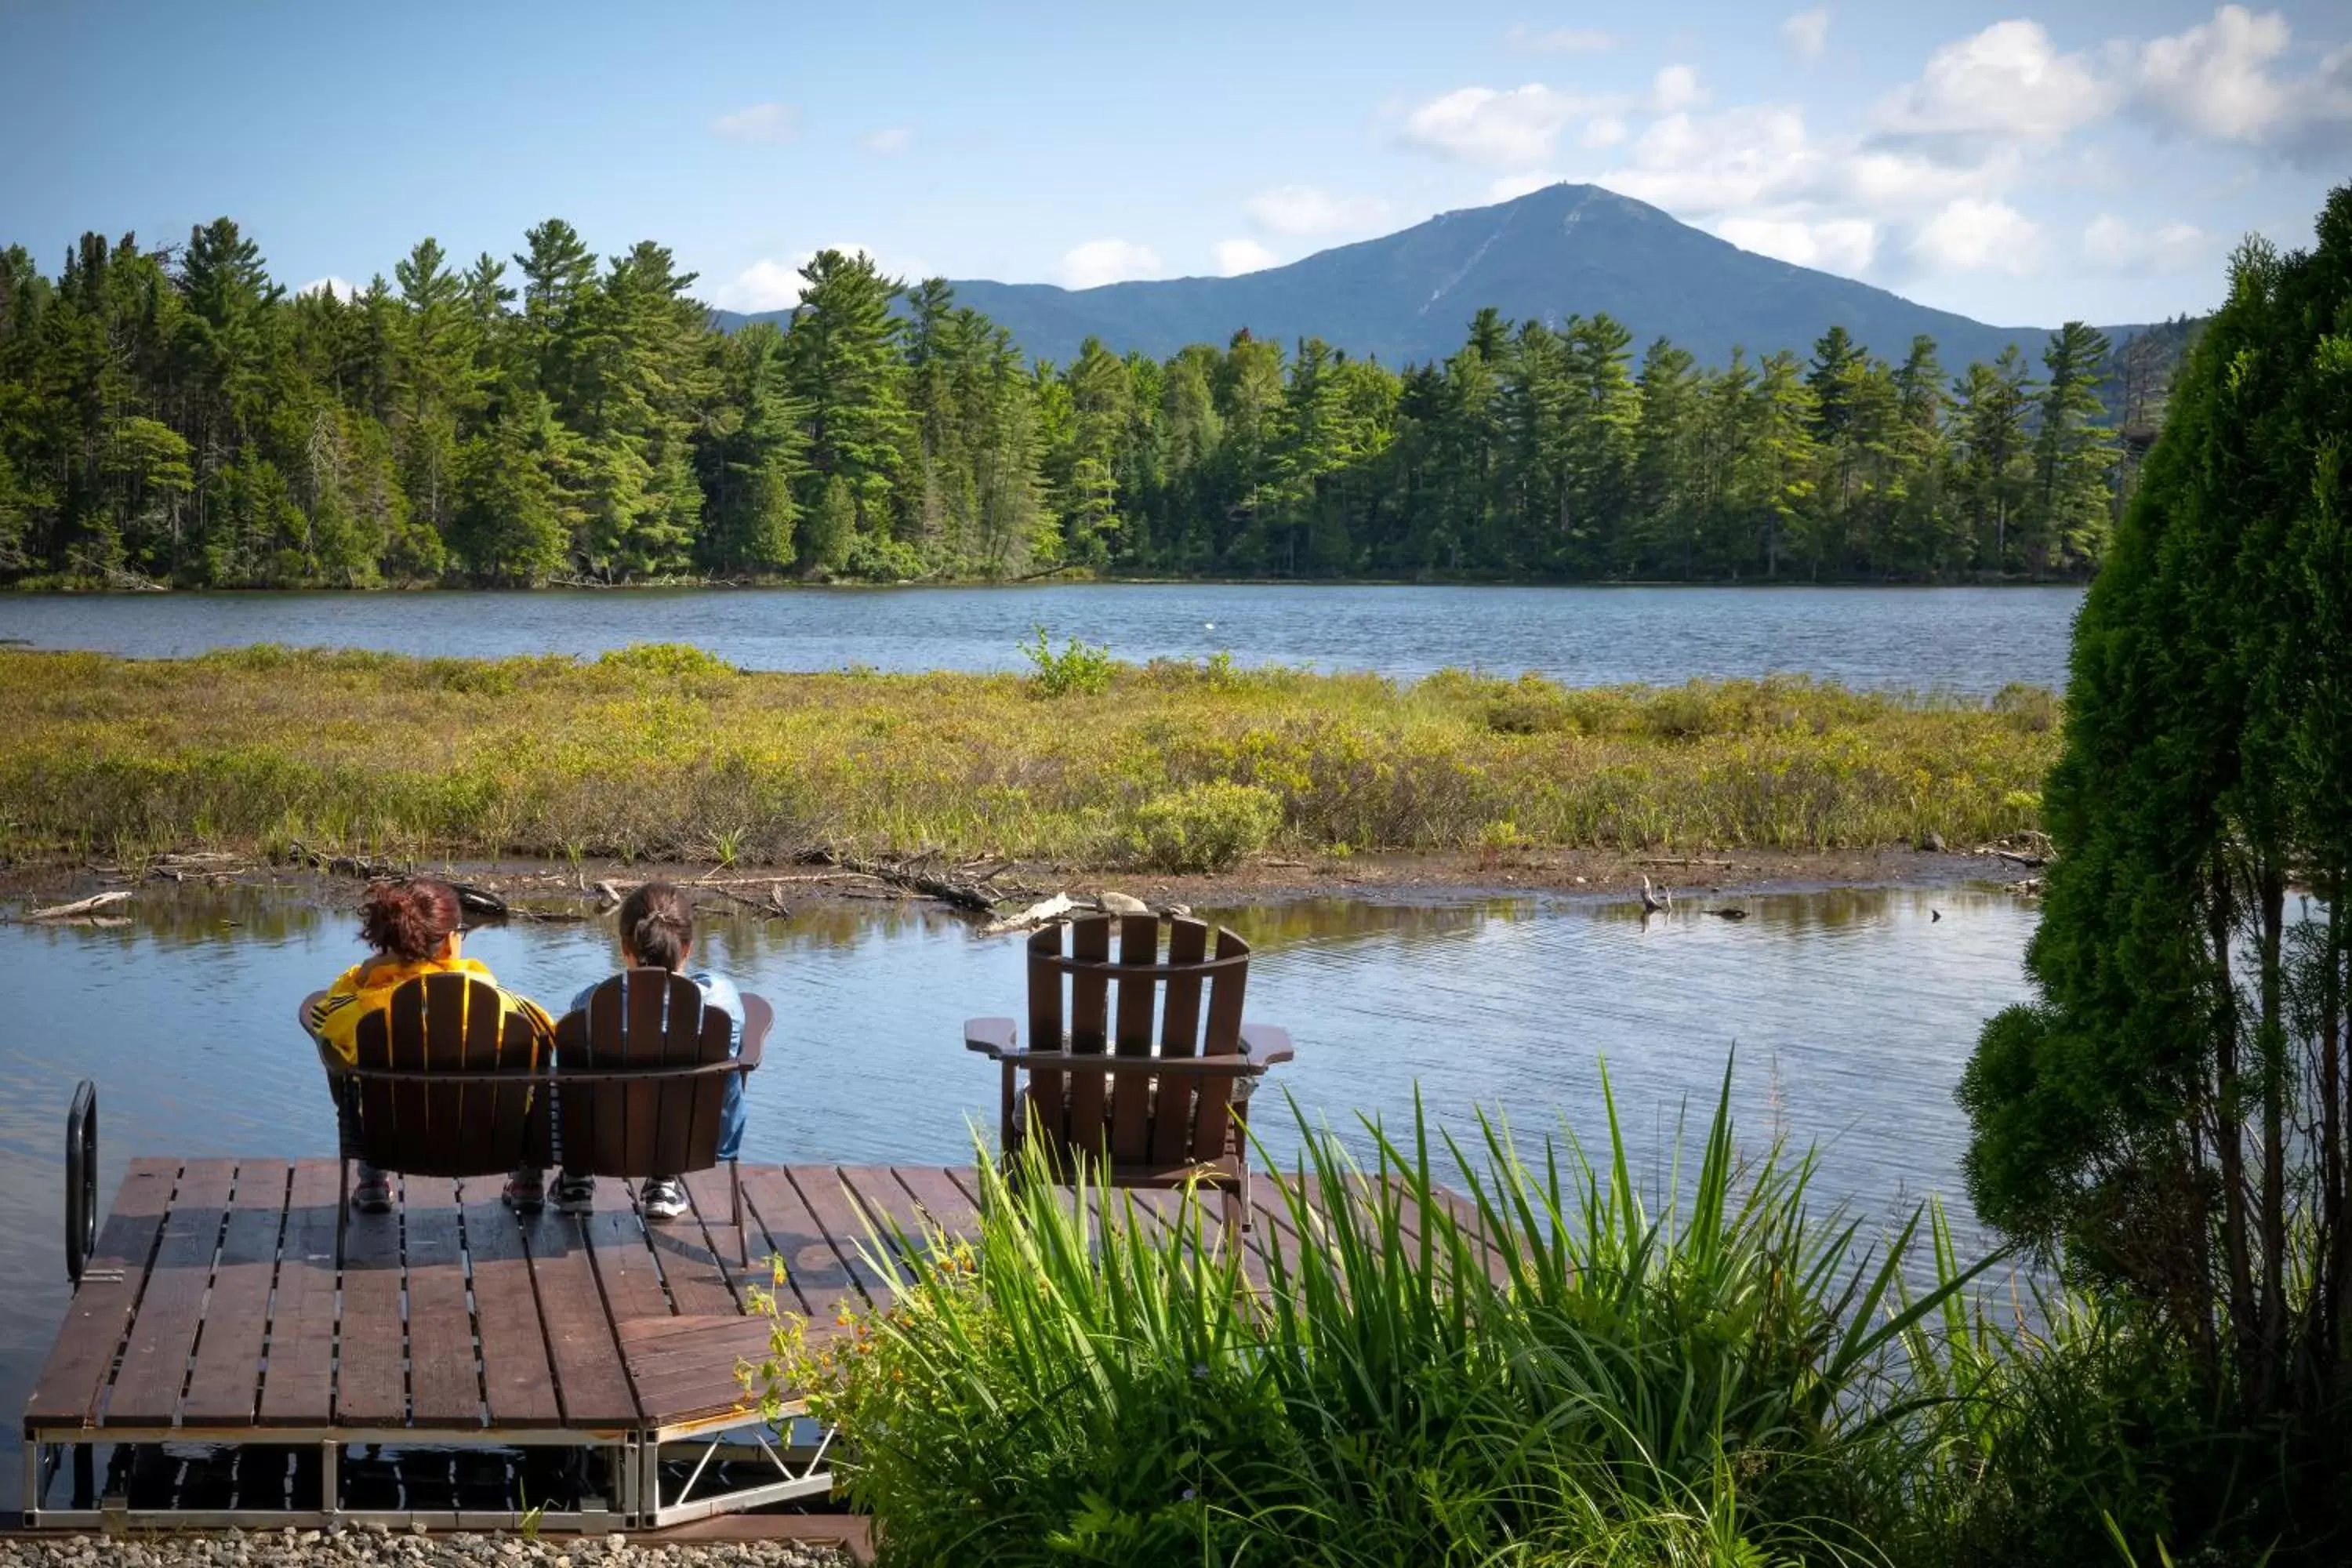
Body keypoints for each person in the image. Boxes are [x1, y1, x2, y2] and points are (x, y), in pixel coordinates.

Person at [308, 877, 554, 1214]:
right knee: (536, 1065)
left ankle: (372, 1182)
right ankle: (527, 1182)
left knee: (339, 1060)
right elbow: (552, 1033)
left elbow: (318, 1015)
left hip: (393, 1141)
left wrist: (363, 976)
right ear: (451, 941)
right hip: (492, 1140)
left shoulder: (363, 1011)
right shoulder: (501, 1005)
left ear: (387, 944)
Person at [535, 881, 748, 1221]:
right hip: (692, 1142)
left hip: (601, 1142)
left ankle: (576, 1179)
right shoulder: (721, 1003)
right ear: (688, 948)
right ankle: (663, 1180)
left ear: (624, 947)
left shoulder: (589, 1004)